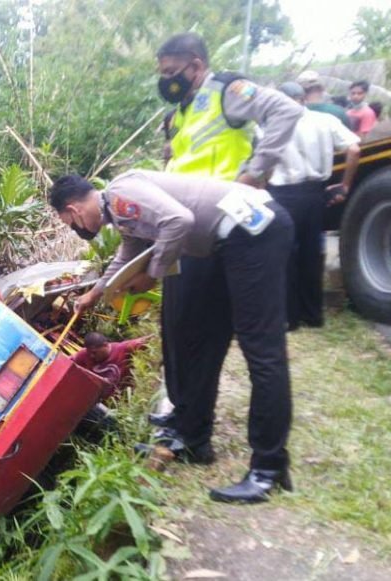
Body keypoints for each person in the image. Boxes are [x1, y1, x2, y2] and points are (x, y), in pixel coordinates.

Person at [53, 171, 294, 503]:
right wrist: (95, 294)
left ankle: (269, 469)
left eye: (70, 223)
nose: (76, 229)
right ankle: (194, 441)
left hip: (254, 232)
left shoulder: (121, 192)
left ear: (73, 210)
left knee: (262, 350)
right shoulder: (120, 211)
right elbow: (127, 253)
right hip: (228, 240)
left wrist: (153, 276)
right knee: (205, 339)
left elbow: (179, 220)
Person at [151, 33, 302, 437]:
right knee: (181, 329)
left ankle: (207, 431)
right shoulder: (179, 113)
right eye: (162, 73)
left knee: (215, 335)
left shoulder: (228, 91)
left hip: (227, 225)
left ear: (196, 66)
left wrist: (254, 172)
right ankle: (187, 417)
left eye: (172, 71)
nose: (166, 80)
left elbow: (285, 111)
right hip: (189, 229)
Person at [270, 82, 361, 330]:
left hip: (284, 195)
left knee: (286, 256)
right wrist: (345, 184)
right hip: (314, 194)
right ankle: (312, 315)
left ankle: (289, 318)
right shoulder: (325, 120)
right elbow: (354, 149)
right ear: (303, 98)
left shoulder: (272, 124)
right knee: (312, 255)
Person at [72, 332, 148, 401]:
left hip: (121, 400)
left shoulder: (123, 349)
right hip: (95, 399)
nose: (92, 356)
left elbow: (147, 341)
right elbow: (67, 363)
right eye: (89, 353)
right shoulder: (84, 355)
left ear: (105, 345)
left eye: (94, 353)